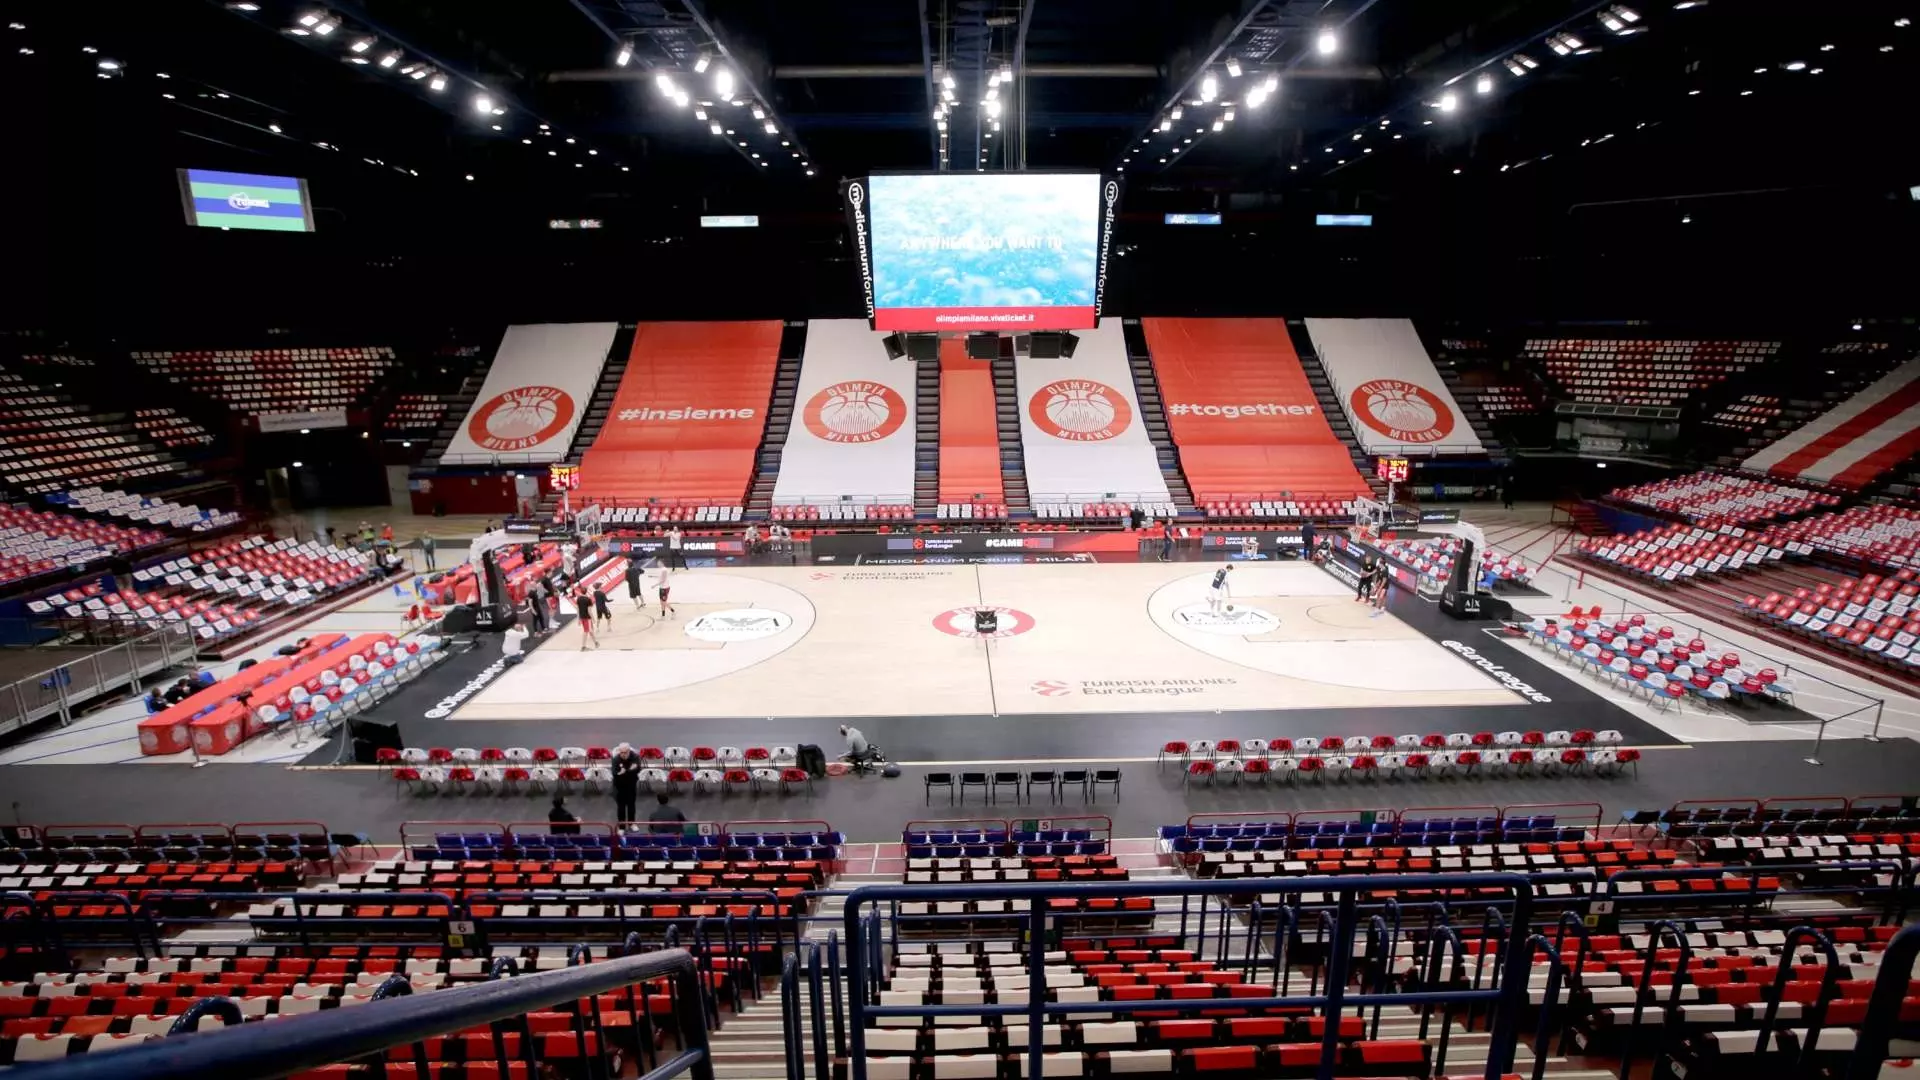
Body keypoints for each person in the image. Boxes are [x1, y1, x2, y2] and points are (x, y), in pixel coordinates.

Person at [611, 743, 643, 828]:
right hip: (619, 787)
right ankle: (621, 827)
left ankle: (631, 823)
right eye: (621, 752)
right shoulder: (616, 759)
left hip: (631, 786)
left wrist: (624, 772)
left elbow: (638, 769)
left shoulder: (635, 757)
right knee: (621, 807)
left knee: (631, 806)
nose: (623, 754)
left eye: (625, 752)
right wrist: (627, 771)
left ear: (629, 751)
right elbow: (614, 773)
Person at [574, 585, 598, 650]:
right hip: (587, 618)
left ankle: (596, 642)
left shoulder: (578, 599)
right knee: (586, 631)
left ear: (581, 592)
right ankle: (583, 646)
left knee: (590, 630)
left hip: (582, 617)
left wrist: (578, 619)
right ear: (586, 592)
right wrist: (593, 619)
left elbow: (578, 610)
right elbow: (589, 611)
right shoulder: (588, 600)